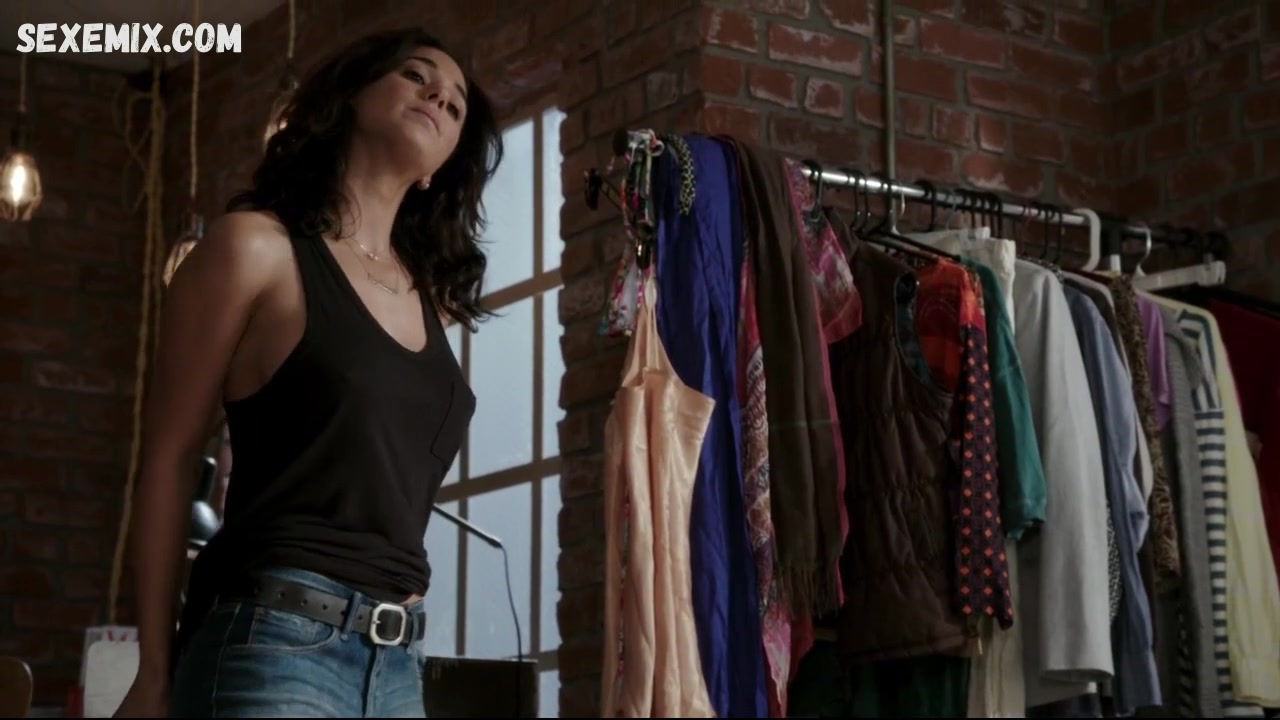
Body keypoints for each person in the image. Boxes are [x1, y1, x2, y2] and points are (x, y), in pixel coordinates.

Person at [113, 27, 503, 718]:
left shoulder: (433, 303)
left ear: (439, 166)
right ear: (352, 97)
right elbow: (170, 458)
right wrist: (152, 670)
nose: (439, 97)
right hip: (274, 641)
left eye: (456, 104)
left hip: (399, 665)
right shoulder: (254, 248)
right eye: (416, 76)